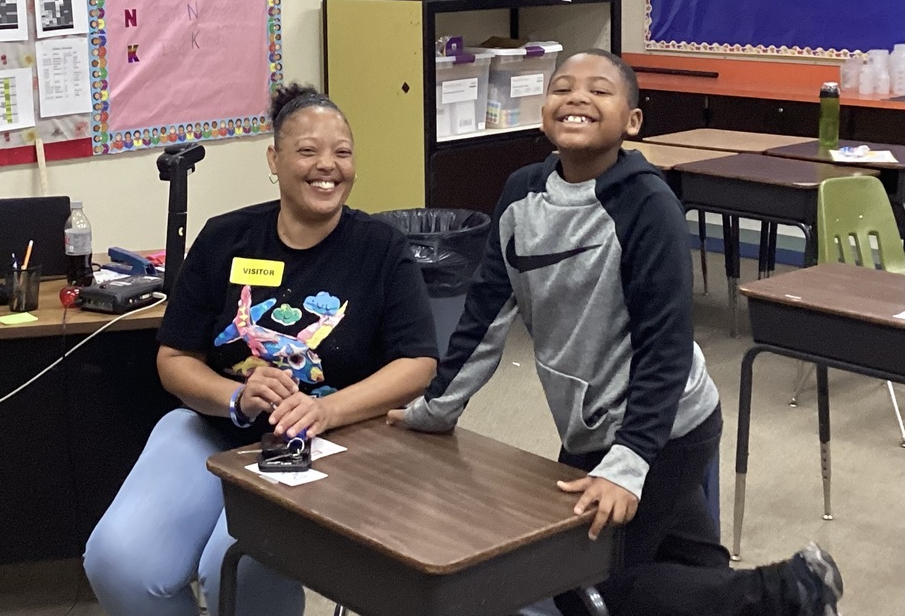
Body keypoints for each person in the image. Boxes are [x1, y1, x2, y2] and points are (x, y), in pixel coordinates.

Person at [389, 49, 843, 616]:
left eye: (600, 90)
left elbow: (666, 347)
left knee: (586, 590)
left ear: (632, 120)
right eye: (562, 87)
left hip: (665, 425)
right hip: (590, 426)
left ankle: (789, 592)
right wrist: (435, 411)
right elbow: (482, 316)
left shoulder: (647, 204)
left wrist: (628, 466)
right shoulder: (520, 195)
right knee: (688, 572)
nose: (577, 97)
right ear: (544, 111)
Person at [85, 84, 439, 616]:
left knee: (235, 566)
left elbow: (418, 363)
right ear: (274, 159)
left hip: (328, 444)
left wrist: (326, 408)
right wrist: (234, 396)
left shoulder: (379, 249)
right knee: (119, 562)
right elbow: (174, 359)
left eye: (342, 152)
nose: (328, 166)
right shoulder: (227, 238)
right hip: (211, 427)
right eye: (308, 151)